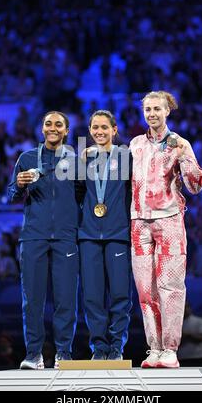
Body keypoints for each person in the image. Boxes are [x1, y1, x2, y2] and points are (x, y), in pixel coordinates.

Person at [130, 91, 202, 368]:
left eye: (157, 109)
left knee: (170, 287)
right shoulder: (135, 144)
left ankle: (171, 349)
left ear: (167, 112)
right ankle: (154, 348)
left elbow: (196, 186)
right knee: (145, 290)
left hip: (170, 221)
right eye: (148, 109)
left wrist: (185, 155)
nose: (152, 114)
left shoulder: (180, 143)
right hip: (138, 223)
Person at [8, 111, 79, 369]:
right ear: (42, 128)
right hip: (33, 237)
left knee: (66, 300)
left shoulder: (75, 161)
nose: (53, 128)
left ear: (66, 130)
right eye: (48, 123)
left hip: (66, 238)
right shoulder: (26, 158)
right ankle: (33, 355)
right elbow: (11, 195)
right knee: (33, 300)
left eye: (58, 124)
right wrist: (18, 184)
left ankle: (64, 354)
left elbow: (85, 198)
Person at [78, 110, 132, 360]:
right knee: (92, 296)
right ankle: (99, 347)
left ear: (114, 129)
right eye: (95, 128)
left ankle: (116, 347)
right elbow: (76, 195)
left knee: (121, 294)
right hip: (88, 235)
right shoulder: (82, 160)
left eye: (104, 127)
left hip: (118, 233)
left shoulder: (126, 157)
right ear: (90, 131)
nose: (99, 132)